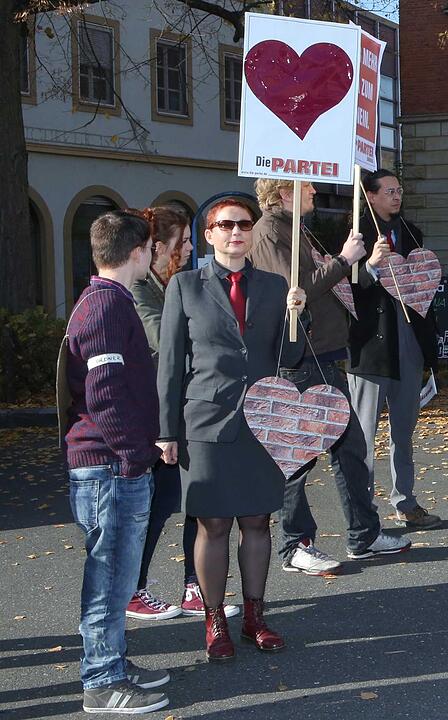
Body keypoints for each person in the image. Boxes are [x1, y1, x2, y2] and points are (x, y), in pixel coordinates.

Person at [157, 199, 307, 661]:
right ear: (209, 234)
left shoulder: (276, 284)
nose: (236, 232)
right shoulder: (185, 286)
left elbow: (292, 356)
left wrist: (297, 315)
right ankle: (215, 619)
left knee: (258, 520)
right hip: (205, 421)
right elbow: (169, 363)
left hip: (261, 419)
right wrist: (167, 430)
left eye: (244, 224)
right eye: (226, 225)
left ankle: (255, 617)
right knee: (214, 522)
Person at [248, 179, 410, 574]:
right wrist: (343, 259)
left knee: (350, 447)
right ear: (285, 192)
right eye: (307, 189)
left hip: (321, 355)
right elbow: (294, 291)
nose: (315, 193)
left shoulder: (294, 227)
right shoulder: (269, 231)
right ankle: (296, 544)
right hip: (300, 358)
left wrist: (360, 265)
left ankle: (363, 533)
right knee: (297, 457)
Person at [61, 211, 170, 713]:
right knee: (108, 580)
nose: (156, 256)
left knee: (118, 578)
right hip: (109, 466)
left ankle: (113, 664)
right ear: (138, 253)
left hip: (110, 463)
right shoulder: (106, 308)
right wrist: (133, 456)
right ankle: (101, 682)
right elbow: (104, 393)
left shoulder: (107, 302)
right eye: (152, 248)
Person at [129, 206, 238, 621]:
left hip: (183, 409)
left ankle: (195, 586)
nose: (191, 249)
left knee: (195, 498)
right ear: (157, 247)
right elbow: (164, 339)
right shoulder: (142, 288)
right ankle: (133, 587)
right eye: (184, 242)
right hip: (157, 415)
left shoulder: (171, 283)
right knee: (156, 507)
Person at [348, 169, 442, 529]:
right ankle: (363, 510)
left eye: (399, 190)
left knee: (403, 433)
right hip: (371, 348)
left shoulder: (412, 234)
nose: (396, 196)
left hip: (409, 346)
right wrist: (370, 264)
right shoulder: (355, 239)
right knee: (364, 436)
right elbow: (348, 293)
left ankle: (406, 502)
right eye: (389, 191)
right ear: (370, 197)